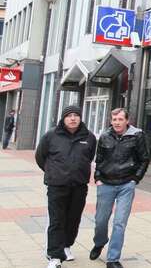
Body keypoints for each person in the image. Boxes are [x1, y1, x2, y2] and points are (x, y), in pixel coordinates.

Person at [35, 105, 97, 268]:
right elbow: (41, 157)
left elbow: (89, 157)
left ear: (80, 118)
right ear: (63, 118)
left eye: (76, 115)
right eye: (69, 115)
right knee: (57, 220)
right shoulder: (50, 136)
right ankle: (55, 256)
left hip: (79, 186)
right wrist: (53, 172)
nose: (73, 118)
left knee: (73, 219)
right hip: (57, 186)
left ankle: (66, 246)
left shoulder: (89, 137)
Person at [89, 108, 150, 268]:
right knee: (100, 221)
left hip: (126, 184)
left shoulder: (137, 135)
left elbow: (144, 159)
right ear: (111, 121)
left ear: (127, 121)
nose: (117, 122)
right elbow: (99, 159)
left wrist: (135, 179)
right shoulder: (104, 136)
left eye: (120, 119)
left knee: (119, 223)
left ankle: (113, 258)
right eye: (114, 119)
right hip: (106, 183)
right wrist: (98, 178)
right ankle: (99, 242)